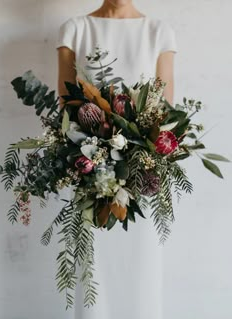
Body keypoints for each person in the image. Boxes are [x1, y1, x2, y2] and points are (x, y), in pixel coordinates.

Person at [56, 1, 177, 318]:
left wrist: (139, 155)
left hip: (141, 177)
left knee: (142, 271)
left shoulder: (158, 31)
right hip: (91, 172)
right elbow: (67, 108)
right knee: (94, 269)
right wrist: (95, 153)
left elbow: (162, 110)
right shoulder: (75, 29)